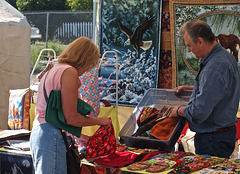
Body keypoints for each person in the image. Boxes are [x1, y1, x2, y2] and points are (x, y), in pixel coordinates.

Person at [30, 37, 111, 174]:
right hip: (51, 136)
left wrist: (80, 137)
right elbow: (71, 117)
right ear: (84, 59)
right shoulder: (69, 72)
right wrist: (100, 121)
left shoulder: (53, 70)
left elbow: (59, 114)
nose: (88, 69)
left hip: (43, 133)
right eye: (90, 64)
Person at [170, 19, 240, 158]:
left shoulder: (214, 67)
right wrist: (191, 88)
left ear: (200, 41)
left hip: (213, 140)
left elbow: (200, 111)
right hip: (221, 136)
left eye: (189, 45)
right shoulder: (225, 57)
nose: (189, 50)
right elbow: (220, 88)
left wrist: (179, 110)